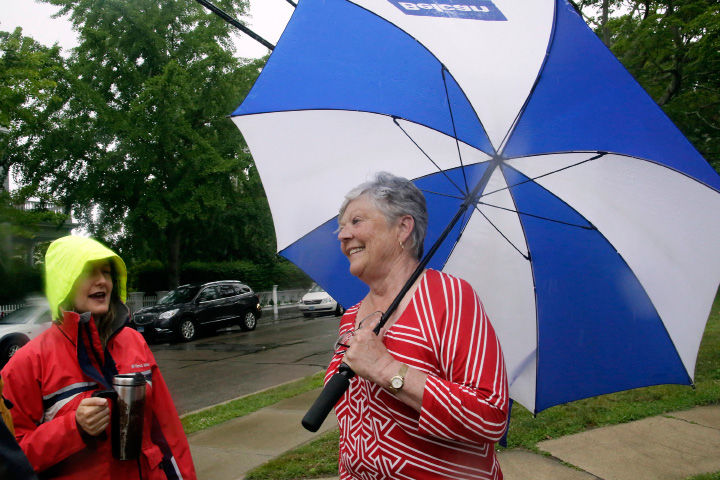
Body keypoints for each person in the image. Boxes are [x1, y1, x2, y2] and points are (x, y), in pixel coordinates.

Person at [328, 172, 509, 479]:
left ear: (402, 227)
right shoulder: (352, 315)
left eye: (356, 221)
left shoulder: (450, 298)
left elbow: (490, 417)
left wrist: (386, 369)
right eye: (342, 225)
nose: (343, 235)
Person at [0, 235, 196, 479]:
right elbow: (11, 459)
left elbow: (167, 431)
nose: (102, 281)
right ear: (64, 282)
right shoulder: (28, 362)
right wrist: (73, 428)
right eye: (89, 272)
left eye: (106, 272)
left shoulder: (134, 341)